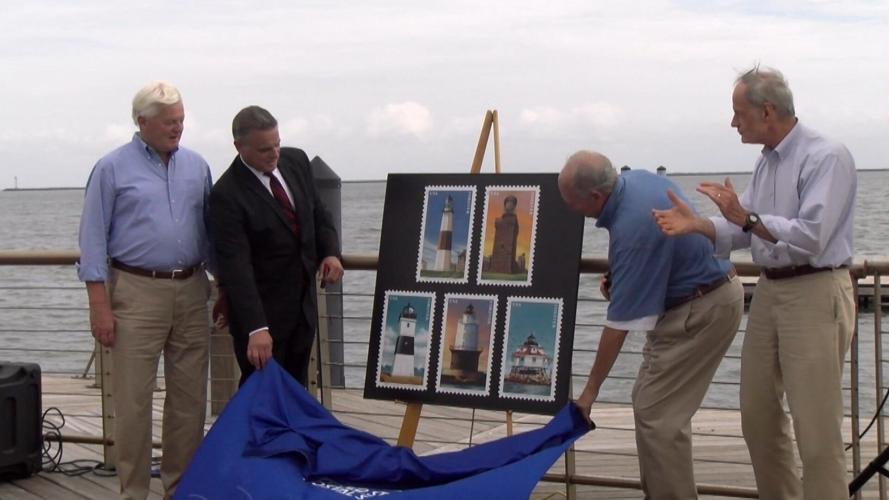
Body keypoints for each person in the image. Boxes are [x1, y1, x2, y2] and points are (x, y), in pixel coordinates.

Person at [653, 65, 856, 500]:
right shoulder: (767, 162)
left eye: (738, 113)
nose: (733, 123)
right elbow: (743, 229)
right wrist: (699, 226)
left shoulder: (826, 156)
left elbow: (811, 235)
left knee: (816, 429)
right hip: (770, 290)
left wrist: (745, 217)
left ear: (767, 111)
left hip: (815, 290)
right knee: (757, 415)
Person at [559, 151, 743, 500]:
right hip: (704, 298)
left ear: (596, 197)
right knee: (652, 406)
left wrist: (589, 393)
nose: (569, 209)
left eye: (572, 202)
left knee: (658, 417)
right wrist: (618, 276)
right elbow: (646, 254)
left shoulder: (634, 229)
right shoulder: (637, 181)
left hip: (700, 309)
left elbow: (618, 326)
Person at [78, 81, 213, 500]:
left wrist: (221, 286)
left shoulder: (197, 166)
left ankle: (180, 488)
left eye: (182, 120)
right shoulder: (111, 168)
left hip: (192, 289)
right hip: (135, 291)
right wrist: (99, 305)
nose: (178, 128)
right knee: (134, 401)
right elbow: (92, 239)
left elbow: (211, 232)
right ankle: (133, 491)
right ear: (143, 122)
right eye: (170, 122)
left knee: (189, 401)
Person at [209, 105, 343, 387]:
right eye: (263, 149)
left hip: (302, 309)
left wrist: (329, 251)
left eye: (277, 144)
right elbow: (237, 268)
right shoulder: (226, 194)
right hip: (262, 317)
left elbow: (318, 213)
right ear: (239, 147)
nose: (274, 154)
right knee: (261, 398)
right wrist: (257, 329)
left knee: (296, 393)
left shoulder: (295, 161)